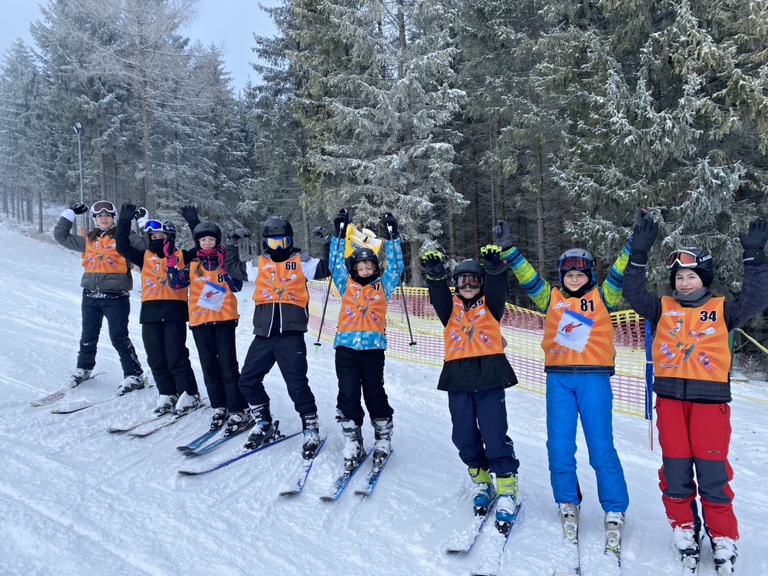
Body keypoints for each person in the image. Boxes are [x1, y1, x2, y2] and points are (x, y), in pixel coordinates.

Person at [623, 213, 768, 574]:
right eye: (679, 278)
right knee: (674, 473)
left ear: (704, 279)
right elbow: (633, 292)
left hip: (710, 405)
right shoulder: (662, 308)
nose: (684, 283)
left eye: (691, 276)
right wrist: (637, 253)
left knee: (713, 475)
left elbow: (756, 296)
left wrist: (755, 258)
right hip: (670, 402)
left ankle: (722, 536)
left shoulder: (723, 310)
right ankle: (685, 527)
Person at [493, 217, 632, 555]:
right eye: (569, 275)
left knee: (600, 447)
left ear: (589, 276)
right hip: (558, 379)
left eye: (580, 274)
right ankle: (567, 500)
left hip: (593, 379)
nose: (574, 279)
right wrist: (509, 251)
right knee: (559, 446)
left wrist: (632, 247)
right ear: (562, 278)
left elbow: (618, 273)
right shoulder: (551, 299)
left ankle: (614, 506)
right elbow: (529, 280)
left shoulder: (603, 297)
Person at [420, 246, 520, 533]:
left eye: (473, 281)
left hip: (489, 378)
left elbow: (498, 289)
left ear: (481, 284)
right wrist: (436, 276)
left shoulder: (491, 306)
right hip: (458, 379)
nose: (467, 286)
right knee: (463, 436)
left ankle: (507, 486)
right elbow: (438, 295)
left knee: (494, 434)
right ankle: (482, 480)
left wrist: (494, 269)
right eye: (462, 281)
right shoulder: (449, 310)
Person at [224, 216, 331, 460]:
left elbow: (328, 268)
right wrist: (231, 243)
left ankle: (310, 427)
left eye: (282, 241)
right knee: (248, 380)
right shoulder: (258, 263)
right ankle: (263, 422)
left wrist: (328, 242)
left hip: (290, 335)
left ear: (290, 240)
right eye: (273, 242)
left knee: (296, 383)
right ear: (266, 243)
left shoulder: (301, 261)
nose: (278, 247)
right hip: (263, 334)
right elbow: (233, 269)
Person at [327, 209, 403, 473]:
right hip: (345, 348)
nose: (366, 269)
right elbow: (335, 262)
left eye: (370, 266)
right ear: (354, 269)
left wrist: (393, 236)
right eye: (361, 267)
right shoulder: (345, 283)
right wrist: (339, 234)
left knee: (374, 392)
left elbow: (396, 266)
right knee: (347, 393)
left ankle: (383, 438)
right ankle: (352, 439)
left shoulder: (383, 285)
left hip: (372, 350)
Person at [166, 216, 250, 433]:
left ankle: (238, 408)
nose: (207, 243)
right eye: (203, 240)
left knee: (228, 365)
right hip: (200, 321)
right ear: (197, 243)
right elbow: (175, 284)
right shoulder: (192, 265)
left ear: (217, 241)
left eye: (211, 240)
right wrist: (170, 262)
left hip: (224, 319)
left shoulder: (225, 263)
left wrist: (227, 266)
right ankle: (218, 406)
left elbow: (237, 286)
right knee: (209, 366)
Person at [115, 203, 200, 414]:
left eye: (160, 236)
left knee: (175, 355)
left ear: (170, 237)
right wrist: (124, 222)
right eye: (152, 237)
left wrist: (194, 223)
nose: (156, 240)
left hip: (175, 310)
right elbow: (122, 246)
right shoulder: (144, 257)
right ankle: (167, 392)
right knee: (155, 356)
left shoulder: (182, 256)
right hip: (150, 312)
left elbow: (202, 246)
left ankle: (188, 393)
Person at [53, 201, 145, 394]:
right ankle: (84, 368)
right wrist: (70, 213)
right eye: (100, 216)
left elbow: (147, 246)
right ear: (95, 219)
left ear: (113, 218)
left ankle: (133, 374)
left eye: (108, 216)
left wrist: (142, 221)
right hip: (90, 295)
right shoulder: (88, 239)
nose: (104, 219)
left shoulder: (125, 237)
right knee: (88, 336)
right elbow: (60, 236)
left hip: (116, 296)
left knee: (119, 337)